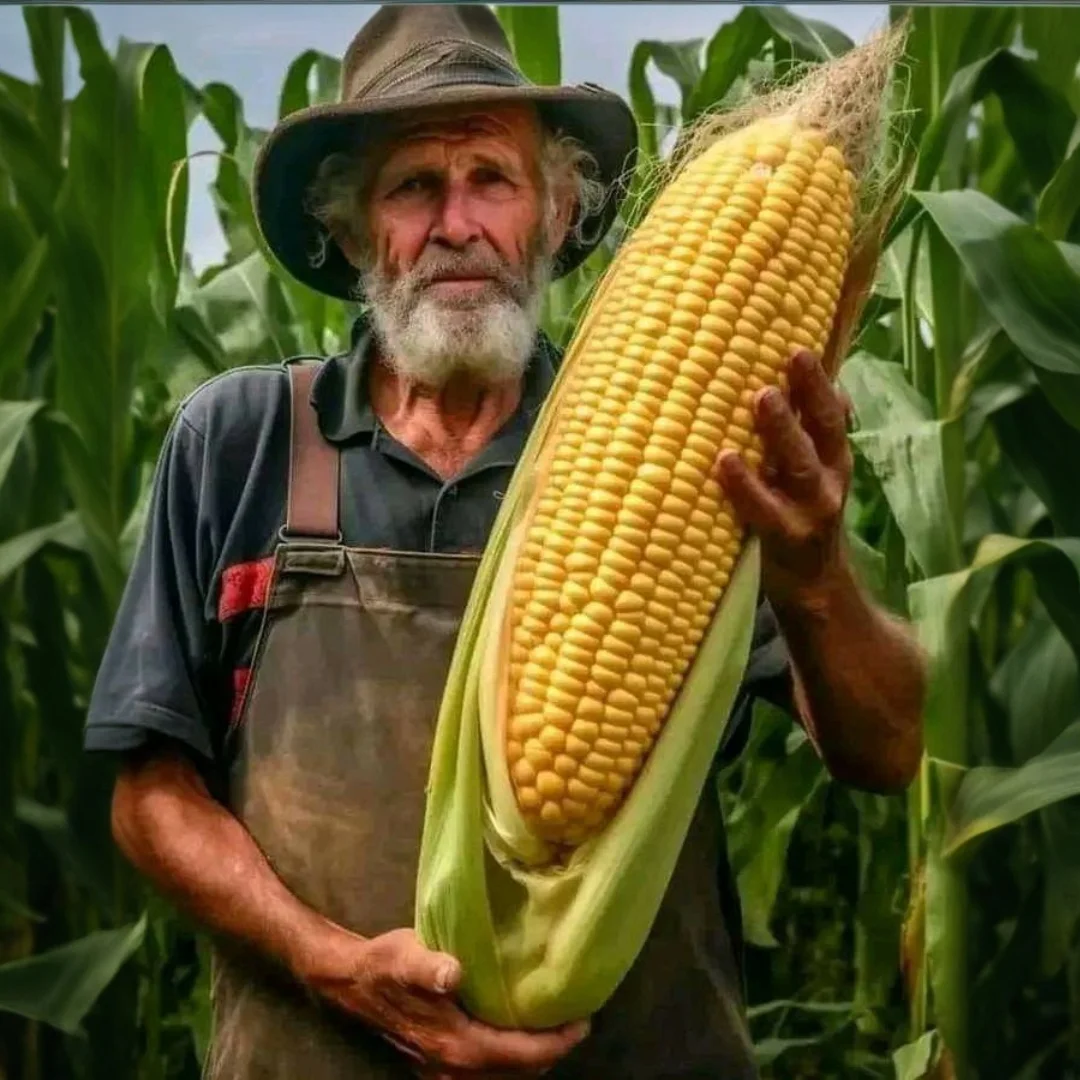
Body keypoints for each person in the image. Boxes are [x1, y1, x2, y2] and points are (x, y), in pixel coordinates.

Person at [84, 6, 927, 1078]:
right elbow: (150, 793)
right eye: (411, 188)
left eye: (492, 178)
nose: (457, 223)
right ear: (350, 231)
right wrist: (333, 962)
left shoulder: (703, 444)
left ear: (556, 211)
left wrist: (811, 575)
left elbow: (885, 751)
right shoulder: (241, 441)